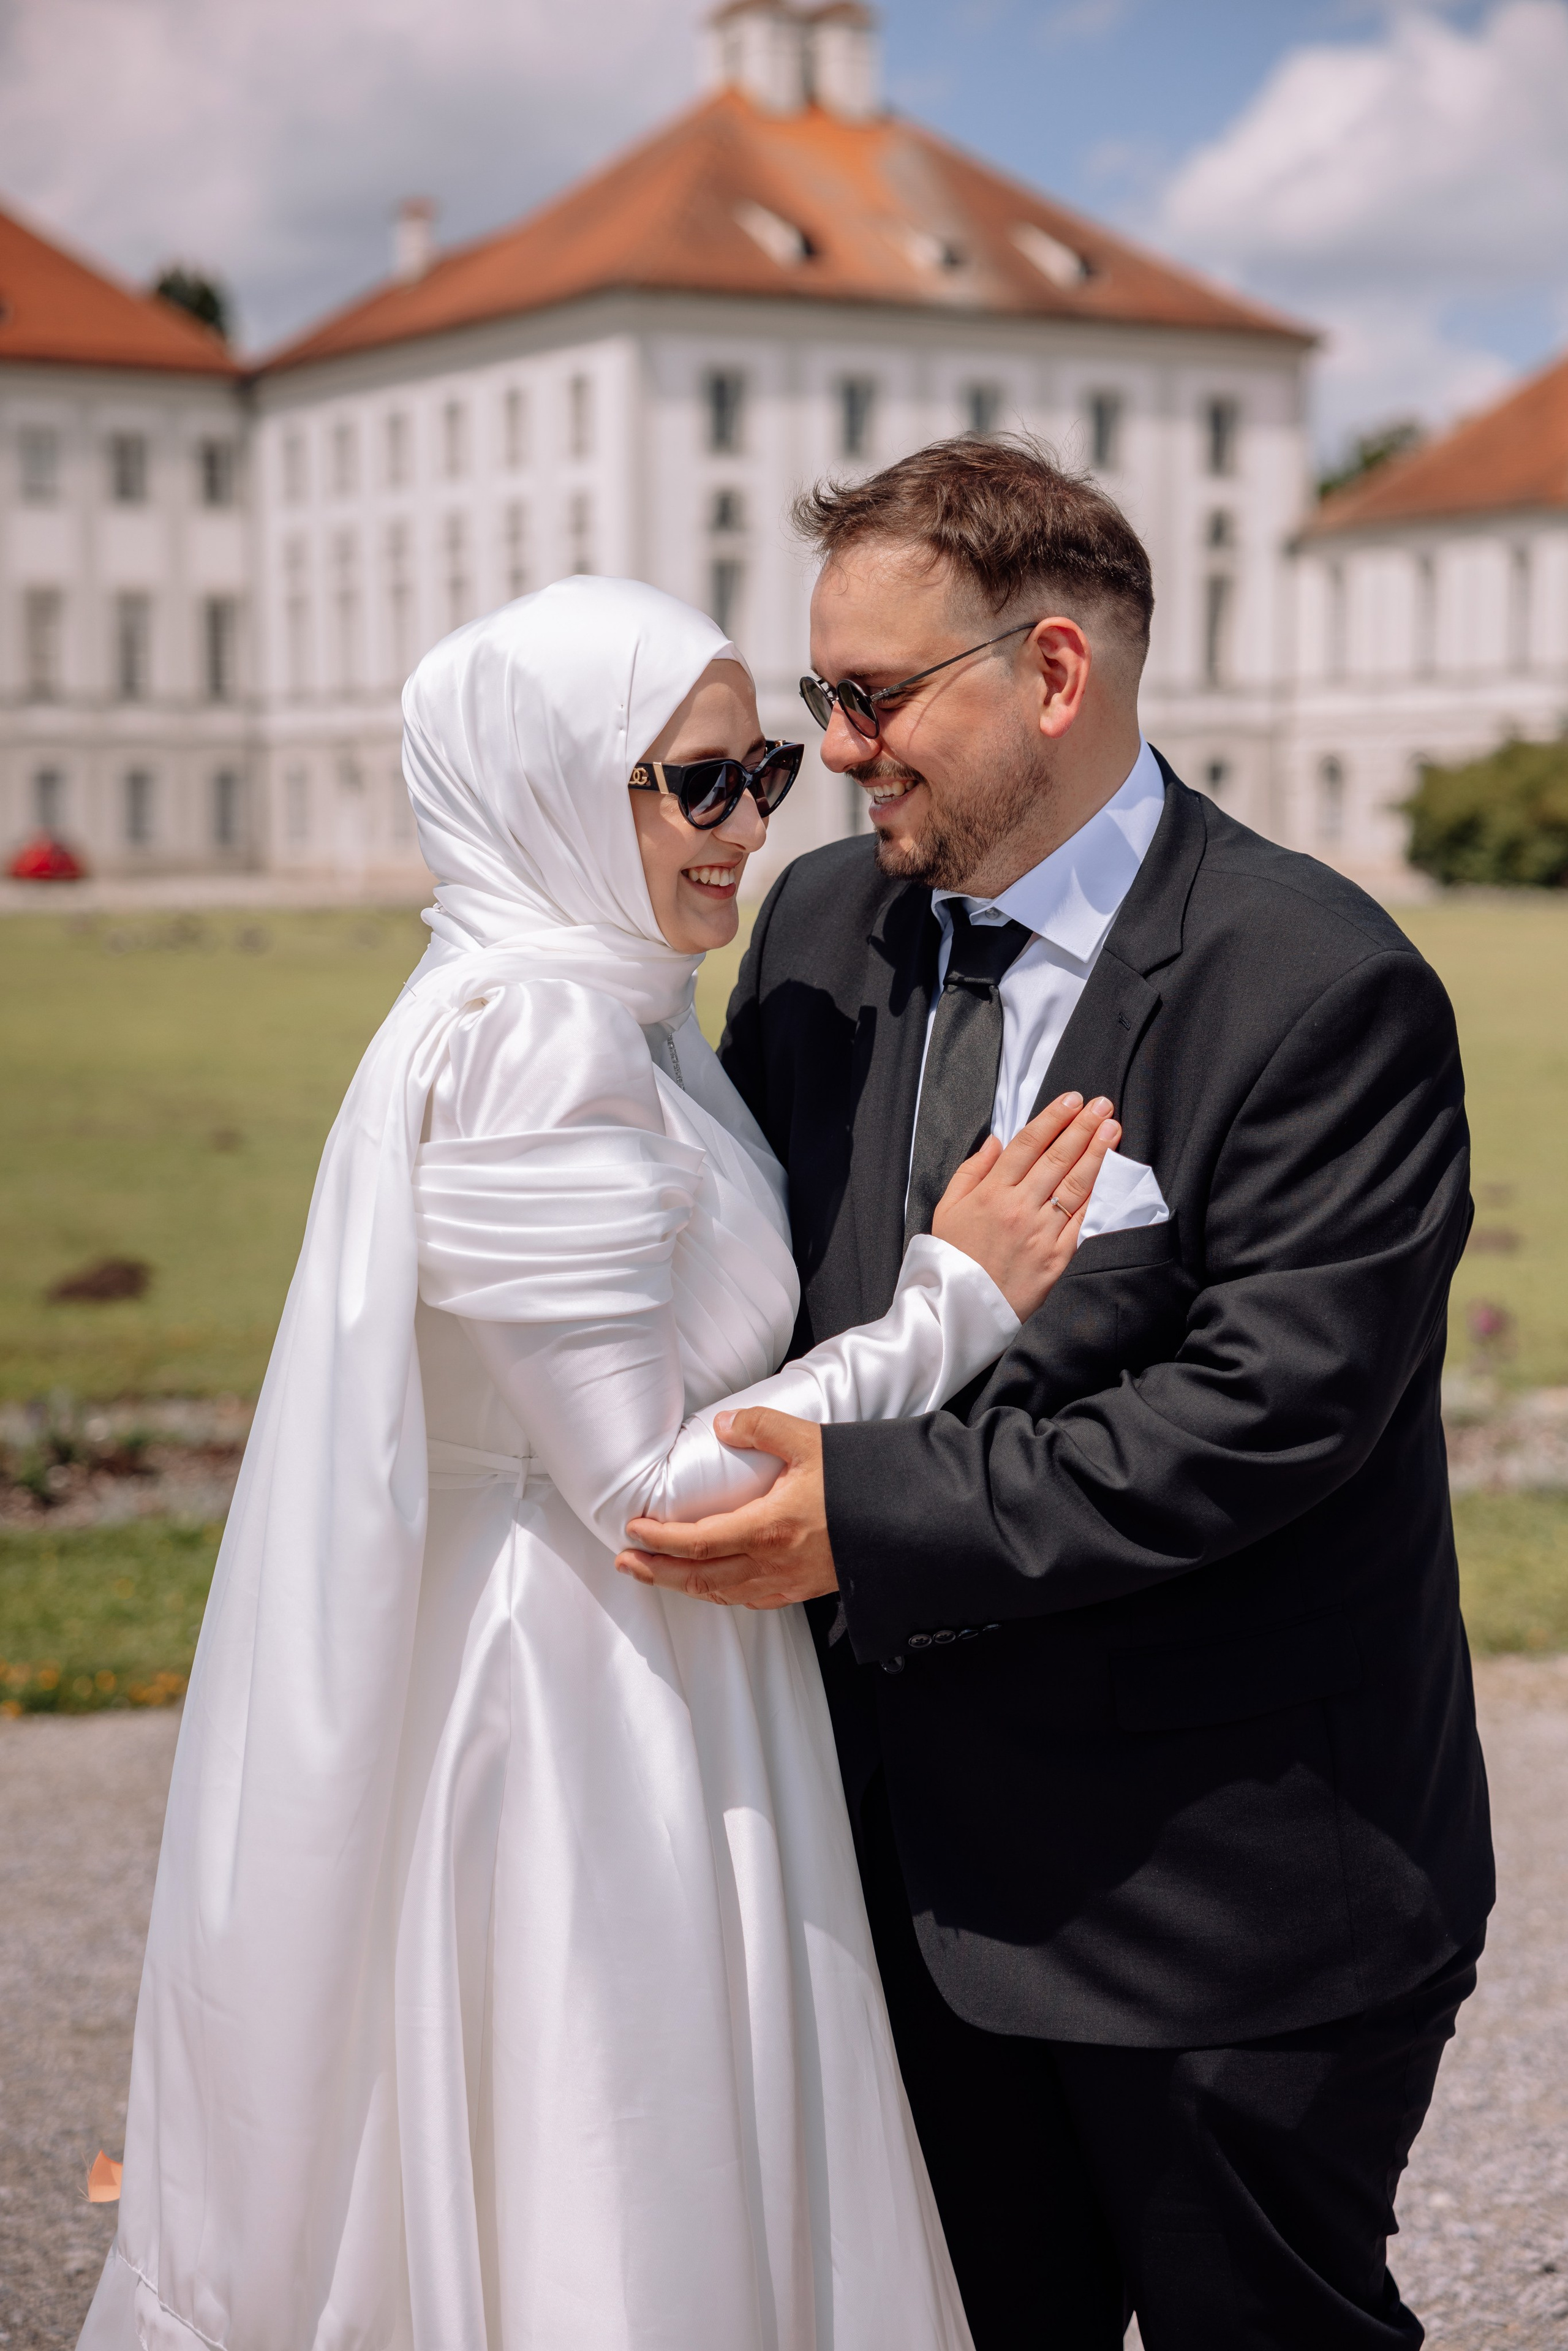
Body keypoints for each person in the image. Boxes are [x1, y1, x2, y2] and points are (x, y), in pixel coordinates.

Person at [79, 575, 1131, 2351]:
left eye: (761, 770)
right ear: (553, 788)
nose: (746, 825)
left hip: (649, 1680)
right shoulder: (535, 1037)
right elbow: (645, 1496)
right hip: (583, 1708)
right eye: (691, 784)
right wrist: (957, 1300)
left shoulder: (610, 1003)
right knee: (610, 2167)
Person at [617, 438, 1496, 2350]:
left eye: (868, 699)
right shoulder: (827, 939)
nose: (831, 756)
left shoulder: (1319, 983)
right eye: (816, 700)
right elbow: (779, 1309)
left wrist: (862, 1515)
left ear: (1056, 673)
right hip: (892, 1889)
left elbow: (1266, 1413)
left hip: (1224, 1905)